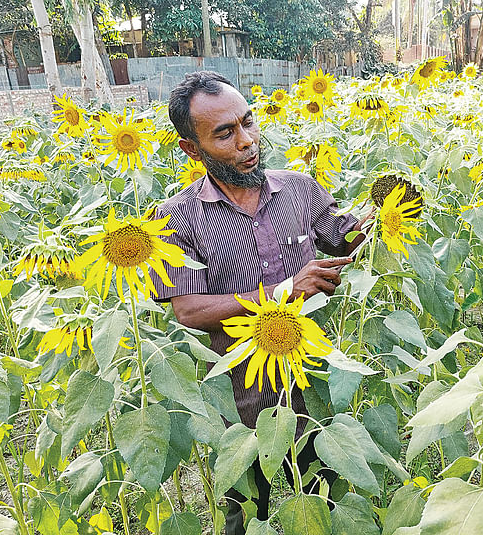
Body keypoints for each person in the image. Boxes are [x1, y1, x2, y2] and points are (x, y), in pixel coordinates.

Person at [151, 71, 367, 534]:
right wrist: (287, 290)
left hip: (313, 374)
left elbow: (343, 237)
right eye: (225, 134)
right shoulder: (174, 217)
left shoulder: (300, 189)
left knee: (330, 494)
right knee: (248, 511)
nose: (247, 141)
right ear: (193, 149)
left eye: (248, 122)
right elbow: (188, 311)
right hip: (240, 390)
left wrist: (386, 211)